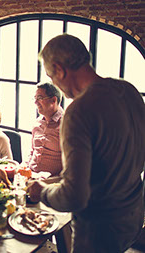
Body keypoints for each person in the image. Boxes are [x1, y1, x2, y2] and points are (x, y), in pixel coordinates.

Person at [27, 34, 145, 253]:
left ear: (59, 69)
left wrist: (41, 192)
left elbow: (74, 196)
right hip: (133, 213)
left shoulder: (78, 111)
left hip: (99, 227)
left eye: (51, 76)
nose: (55, 84)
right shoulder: (129, 91)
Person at [23, 83, 63, 176]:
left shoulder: (66, 125)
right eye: (35, 98)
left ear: (53, 100)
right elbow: (33, 151)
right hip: (31, 175)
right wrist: (24, 166)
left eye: (40, 98)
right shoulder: (37, 123)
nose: (36, 102)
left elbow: (72, 165)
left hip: (51, 181)